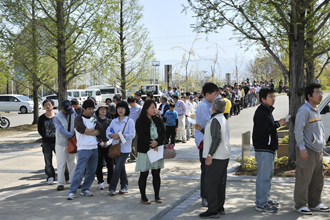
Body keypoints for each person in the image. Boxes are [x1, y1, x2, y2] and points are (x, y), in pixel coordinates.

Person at [294, 83, 329, 214]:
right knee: (304, 179)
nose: (321, 95)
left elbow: (318, 130)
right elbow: (298, 131)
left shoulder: (315, 109)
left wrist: (320, 146)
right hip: (307, 150)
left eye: (321, 92)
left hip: (317, 150)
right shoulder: (304, 110)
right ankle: (300, 204)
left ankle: (315, 203)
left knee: (317, 179)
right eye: (317, 93)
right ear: (309, 96)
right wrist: (302, 148)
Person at [253, 86, 287, 213]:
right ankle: (261, 203)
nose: (273, 99)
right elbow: (264, 132)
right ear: (263, 99)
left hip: (268, 148)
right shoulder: (261, 112)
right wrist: (278, 124)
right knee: (263, 177)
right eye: (270, 97)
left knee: (268, 176)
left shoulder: (266, 110)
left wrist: (278, 122)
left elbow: (268, 128)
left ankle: (265, 199)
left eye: (274, 96)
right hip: (263, 148)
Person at [195, 97, 230, 218]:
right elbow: (214, 135)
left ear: (213, 107)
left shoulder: (215, 120)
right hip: (223, 156)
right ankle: (219, 207)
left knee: (210, 183)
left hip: (216, 157)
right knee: (220, 183)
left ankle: (213, 210)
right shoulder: (223, 119)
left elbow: (216, 138)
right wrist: (202, 129)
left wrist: (210, 155)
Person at [67, 99, 103, 200]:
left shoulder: (94, 118)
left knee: (91, 171)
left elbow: (100, 131)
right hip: (83, 148)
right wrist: (92, 131)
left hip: (94, 148)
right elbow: (83, 130)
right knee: (79, 171)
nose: (91, 111)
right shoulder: (78, 119)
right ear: (84, 109)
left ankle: (85, 188)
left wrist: (90, 131)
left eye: (92, 109)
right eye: (89, 109)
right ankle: (72, 191)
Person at [135, 100, 166, 204]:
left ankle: (157, 196)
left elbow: (163, 134)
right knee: (144, 173)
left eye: (155, 107)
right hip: (145, 150)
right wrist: (151, 143)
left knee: (156, 173)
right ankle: (143, 197)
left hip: (156, 149)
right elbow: (141, 135)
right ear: (146, 109)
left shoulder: (158, 120)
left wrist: (157, 142)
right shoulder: (140, 121)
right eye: (152, 108)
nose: (154, 110)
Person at [195, 82, 219, 207]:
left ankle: (209, 195)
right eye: (215, 94)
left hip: (208, 141)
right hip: (204, 142)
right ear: (207, 94)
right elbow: (208, 125)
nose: (216, 96)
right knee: (206, 171)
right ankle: (205, 196)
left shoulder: (209, 104)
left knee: (210, 170)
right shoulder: (203, 106)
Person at [106, 101, 135, 196]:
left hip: (125, 148)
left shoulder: (129, 121)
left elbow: (132, 135)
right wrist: (111, 135)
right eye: (118, 108)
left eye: (122, 108)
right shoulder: (113, 121)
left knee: (117, 168)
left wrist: (122, 136)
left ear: (126, 109)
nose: (120, 110)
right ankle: (124, 186)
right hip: (115, 148)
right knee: (121, 168)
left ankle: (112, 187)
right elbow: (108, 131)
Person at [38, 99, 68, 184]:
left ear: (52, 106)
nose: (48, 106)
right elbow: (40, 130)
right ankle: (50, 176)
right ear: (44, 107)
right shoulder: (41, 118)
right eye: (46, 105)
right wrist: (45, 137)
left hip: (58, 142)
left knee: (62, 159)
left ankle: (66, 176)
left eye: (49, 104)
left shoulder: (57, 116)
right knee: (48, 161)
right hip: (46, 142)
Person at [53, 100, 77, 191]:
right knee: (61, 164)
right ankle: (60, 183)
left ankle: (74, 181)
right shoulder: (57, 117)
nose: (68, 112)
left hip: (71, 143)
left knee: (72, 163)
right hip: (61, 143)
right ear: (61, 109)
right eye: (66, 110)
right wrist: (72, 136)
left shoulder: (73, 112)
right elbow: (60, 131)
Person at [95, 102, 113, 190]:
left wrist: (108, 142)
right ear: (97, 110)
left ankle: (110, 181)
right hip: (98, 146)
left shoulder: (110, 121)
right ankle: (100, 181)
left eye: (105, 109)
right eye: (101, 109)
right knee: (98, 164)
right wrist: (100, 142)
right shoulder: (94, 121)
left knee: (110, 164)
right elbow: (93, 133)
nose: (103, 110)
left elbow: (113, 133)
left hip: (109, 145)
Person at [127, 96, 142, 162]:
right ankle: (132, 156)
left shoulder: (139, 108)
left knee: (136, 143)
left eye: (131, 103)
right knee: (129, 143)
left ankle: (137, 156)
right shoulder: (129, 108)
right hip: (130, 128)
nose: (130, 104)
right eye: (129, 103)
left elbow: (141, 118)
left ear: (135, 101)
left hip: (137, 128)